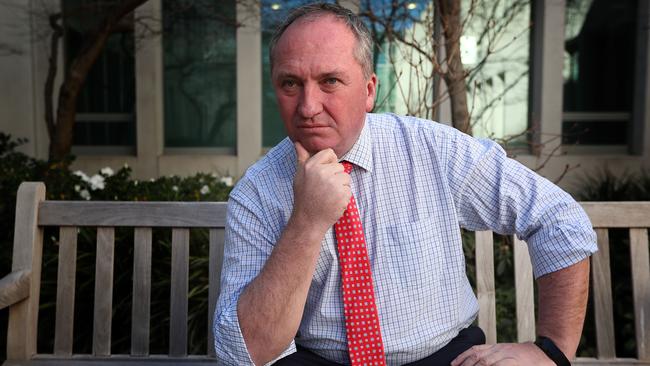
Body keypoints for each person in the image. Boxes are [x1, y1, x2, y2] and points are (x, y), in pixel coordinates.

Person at [213, 3, 597, 365]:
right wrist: (307, 222)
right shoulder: (258, 192)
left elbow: (557, 216)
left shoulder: (432, 149)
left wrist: (551, 350)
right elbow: (243, 354)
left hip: (445, 358)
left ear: (368, 90)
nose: (309, 106)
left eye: (330, 81)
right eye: (291, 84)